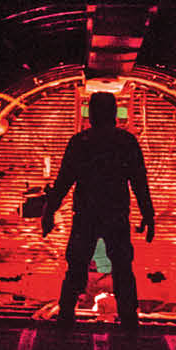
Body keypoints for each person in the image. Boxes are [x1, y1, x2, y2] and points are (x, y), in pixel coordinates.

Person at [46, 91, 157, 327]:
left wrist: (48, 212)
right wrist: (148, 214)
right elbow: (139, 182)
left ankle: (66, 315)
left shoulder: (80, 142)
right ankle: (129, 318)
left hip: (85, 214)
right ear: (115, 114)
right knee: (122, 267)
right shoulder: (126, 142)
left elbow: (64, 181)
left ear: (91, 114)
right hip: (116, 214)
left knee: (76, 265)